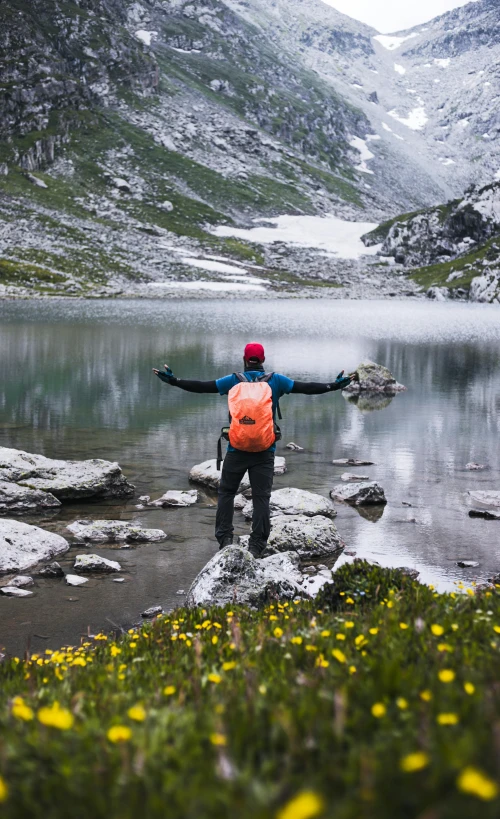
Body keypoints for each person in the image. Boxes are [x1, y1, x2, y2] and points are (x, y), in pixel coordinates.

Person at [153, 342, 353, 558]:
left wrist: (174, 381)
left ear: (244, 360)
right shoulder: (276, 381)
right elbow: (306, 388)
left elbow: (203, 386)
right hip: (264, 451)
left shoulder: (233, 380)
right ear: (263, 361)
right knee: (261, 498)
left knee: (227, 493)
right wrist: (334, 386)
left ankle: (225, 541)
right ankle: (256, 546)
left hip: (236, 449)